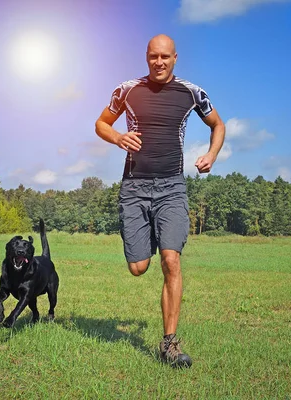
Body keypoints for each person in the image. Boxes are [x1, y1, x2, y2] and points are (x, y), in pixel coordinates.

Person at [94, 34, 225, 368]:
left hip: (172, 188)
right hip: (134, 187)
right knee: (139, 268)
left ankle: (169, 344)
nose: (159, 62)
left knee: (171, 261)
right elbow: (101, 124)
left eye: (165, 57)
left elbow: (217, 124)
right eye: (153, 57)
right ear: (146, 57)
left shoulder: (191, 93)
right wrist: (118, 137)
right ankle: (150, 236)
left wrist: (211, 154)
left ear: (175, 58)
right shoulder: (126, 90)